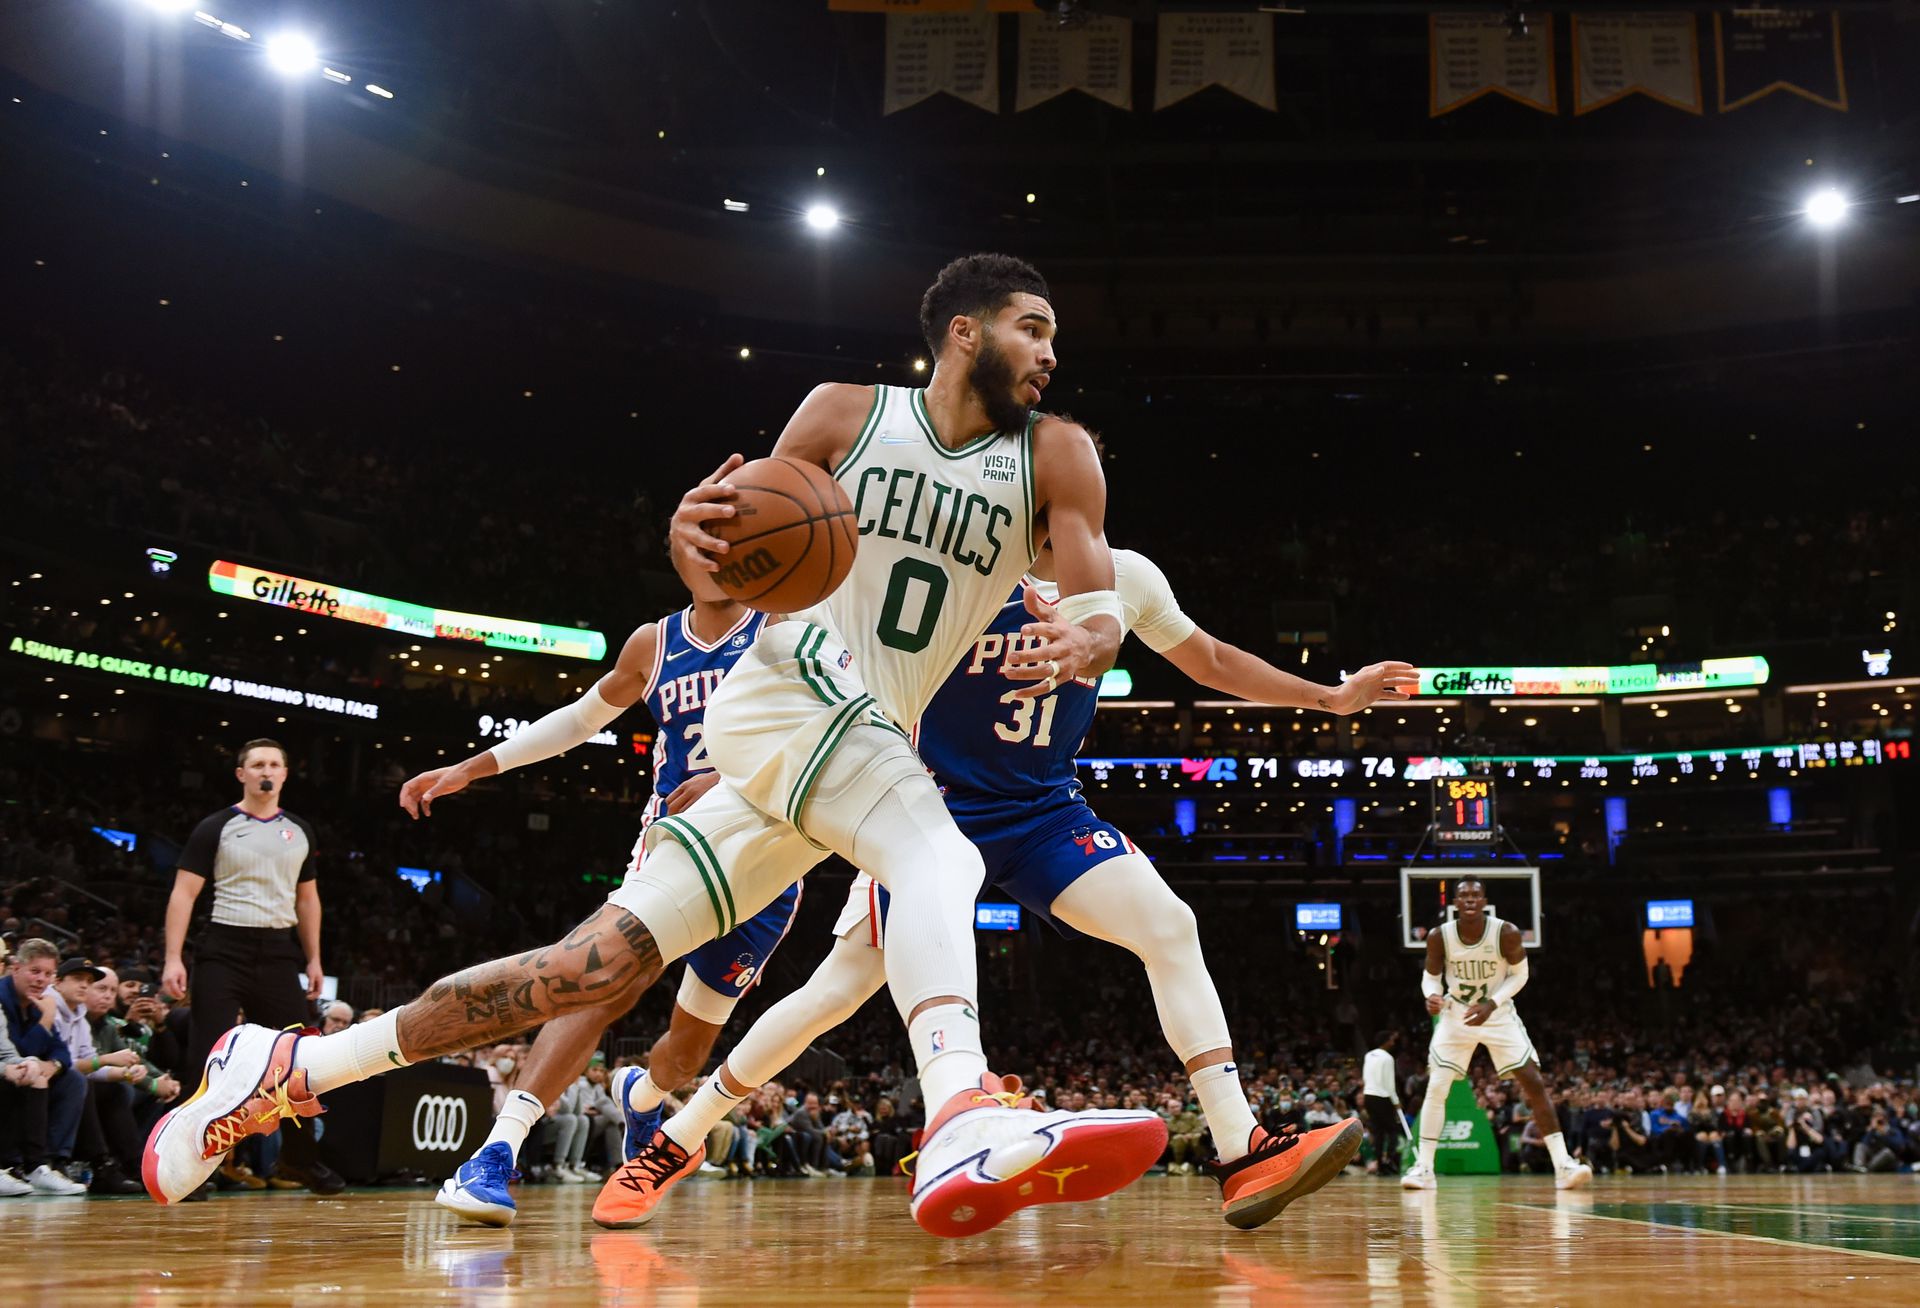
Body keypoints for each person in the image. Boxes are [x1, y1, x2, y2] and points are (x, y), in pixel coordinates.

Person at [143, 253, 1163, 1242]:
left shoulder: (1057, 455)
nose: (1048, 353)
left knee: (586, 971)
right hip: (789, 692)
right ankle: (960, 1112)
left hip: (846, 749)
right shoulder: (844, 413)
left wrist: (1089, 637)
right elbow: (732, 546)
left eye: (1054, 338)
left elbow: (1099, 600)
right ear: (963, 331)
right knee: (941, 854)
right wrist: (694, 540)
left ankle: (288, 1067)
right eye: (1033, 329)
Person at [635, 540, 1411, 1229]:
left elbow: (1208, 660)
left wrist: (1333, 697)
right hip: (927, 810)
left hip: (1045, 811)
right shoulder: (952, 567)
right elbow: (827, 658)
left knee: (1170, 925)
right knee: (833, 994)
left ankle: (1240, 1146)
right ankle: (681, 1134)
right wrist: (735, 770)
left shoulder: (1125, 577)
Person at [401, 588, 807, 1226]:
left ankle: (641, 1095)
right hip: (676, 840)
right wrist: (474, 768)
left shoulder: (787, 626)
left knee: (686, 1056)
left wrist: (735, 779)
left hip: (768, 855)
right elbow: (578, 720)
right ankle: (495, 1152)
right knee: (598, 981)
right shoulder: (655, 642)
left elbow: (819, 729)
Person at [158, 738, 340, 1198]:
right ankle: (189, 1166)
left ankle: (299, 1160)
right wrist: (173, 957)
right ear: (241, 774)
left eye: (275, 764)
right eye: (258, 763)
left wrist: (314, 958)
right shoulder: (215, 827)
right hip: (223, 946)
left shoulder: (299, 830)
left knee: (297, 1058)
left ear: (284, 774)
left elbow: (308, 899)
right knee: (208, 1058)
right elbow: (184, 894)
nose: (267, 770)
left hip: (279, 951)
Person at [1402, 878, 1592, 1192]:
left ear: (1485, 900)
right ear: (1455, 903)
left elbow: (1521, 975)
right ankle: (1424, 1168)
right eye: (1464, 895)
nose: (1470, 899)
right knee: (1437, 1086)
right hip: (1457, 1014)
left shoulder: (1506, 932)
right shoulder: (1440, 936)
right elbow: (1431, 978)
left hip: (1498, 1013)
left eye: (1476, 894)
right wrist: (1432, 996)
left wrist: (1492, 1003)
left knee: (1532, 1081)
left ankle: (1563, 1165)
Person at [0, 939, 87, 1194]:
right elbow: (17, 1051)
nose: (41, 980)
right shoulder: (6, 998)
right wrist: (48, 1019)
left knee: (72, 1079)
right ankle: (11, 1164)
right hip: (7, 1072)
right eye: (35, 971)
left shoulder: (37, 1002)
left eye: (48, 974)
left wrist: (53, 1064)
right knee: (22, 1075)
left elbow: (61, 1051)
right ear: (15, 968)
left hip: (16, 1068)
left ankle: (43, 1165)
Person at [1362, 1030, 1403, 1176]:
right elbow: (1389, 1083)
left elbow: (1366, 1077)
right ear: (1385, 1041)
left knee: (1378, 1132)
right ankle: (1389, 1161)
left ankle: (1380, 1164)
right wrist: (1396, 1101)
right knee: (1392, 1130)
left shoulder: (1368, 1055)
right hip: (1382, 1097)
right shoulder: (1388, 1058)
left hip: (1369, 1096)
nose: (1393, 1043)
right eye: (1391, 1040)